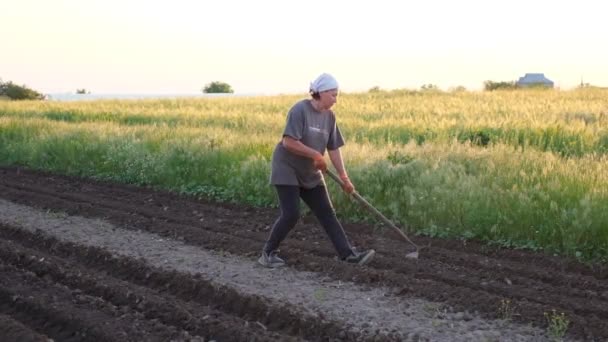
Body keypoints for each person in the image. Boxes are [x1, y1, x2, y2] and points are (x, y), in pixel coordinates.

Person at [258, 73, 375, 268]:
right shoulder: (300, 110)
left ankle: (348, 255)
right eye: (333, 95)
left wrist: (344, 177)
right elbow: (288, 142)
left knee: (327, 213)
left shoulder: (330, 117)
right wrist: (315, 155)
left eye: (337, 95)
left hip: (310, 171)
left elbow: (333, 148)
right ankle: (268, 254)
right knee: (291, 214)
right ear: (320, 93)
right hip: (287, 167)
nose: (336, 100)